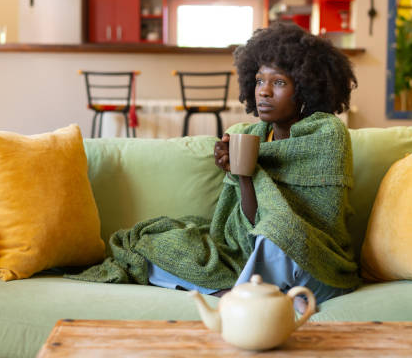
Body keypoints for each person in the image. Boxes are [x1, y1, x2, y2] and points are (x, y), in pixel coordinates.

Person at [68, 22, 360, 307]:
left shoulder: (326, 135)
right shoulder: (249, 136)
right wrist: (242, 174)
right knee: (153, 246)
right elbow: (248, 225)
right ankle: (237, 295)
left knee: (281, 234)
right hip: (252, 254)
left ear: (307, 90)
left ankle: (246, 298)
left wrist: (257, 184)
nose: (264, 91)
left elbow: (316, 225)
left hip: (314, 261)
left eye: (279, 82)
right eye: (259, 81)